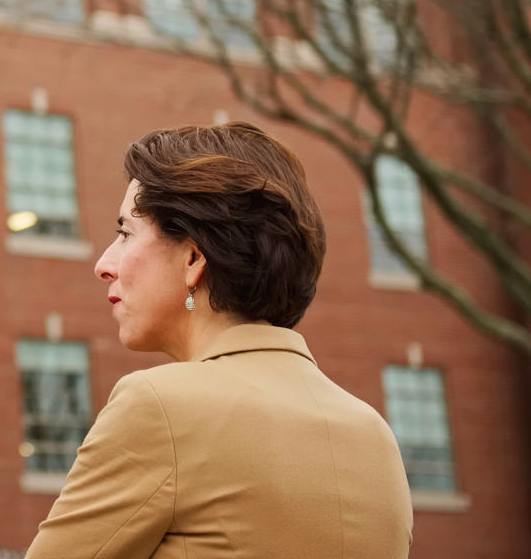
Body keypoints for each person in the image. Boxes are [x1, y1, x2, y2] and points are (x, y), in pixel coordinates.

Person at [25, 122, 413, 559]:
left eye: (125, 233)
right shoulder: (374, 436)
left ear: (193, 258)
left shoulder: (159, 407)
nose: (104, 264)